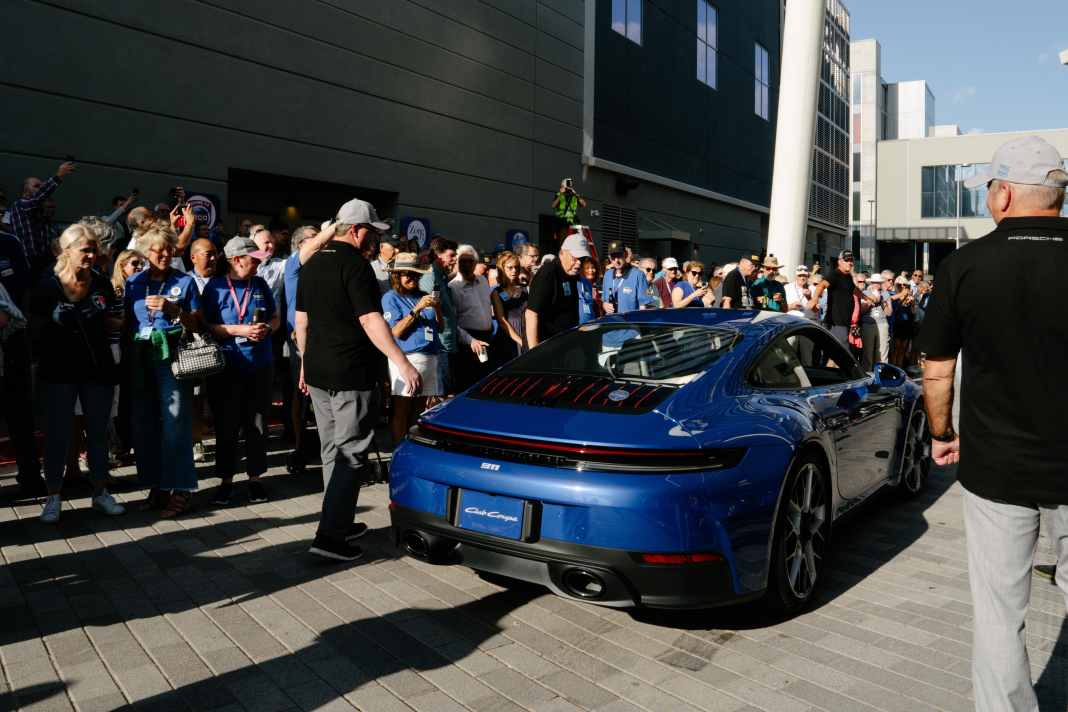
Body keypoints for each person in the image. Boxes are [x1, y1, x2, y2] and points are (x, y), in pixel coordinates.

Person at [915, 135, 1068, 712]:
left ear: (1003, 194)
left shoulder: (964, 265)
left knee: (1001, 615)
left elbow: (936, 369)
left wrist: (941, 434)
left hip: (996, 469)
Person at [294, 199, 420, 562]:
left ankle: (339, 520)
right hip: (351, 373)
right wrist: (402, 363)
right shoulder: (357, 266)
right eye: (370, 231)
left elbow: (301, 321)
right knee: (349, 453)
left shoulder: (311, 263)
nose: (372, 239)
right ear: (356, 230)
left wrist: (305, 363)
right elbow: (370, 320)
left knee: (333, 450)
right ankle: (331, 537)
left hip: (318, 371)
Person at [30, 224, 125, 522]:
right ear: (66, 250)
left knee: (97, 433)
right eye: (85, 250)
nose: (91, 255)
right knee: (58, 433)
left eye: (94, 250)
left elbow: (115, 322)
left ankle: (100, 493)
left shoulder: (101, 282)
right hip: (57, 369)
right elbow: (31, 328)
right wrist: (53, 320)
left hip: (96, 369)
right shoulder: (46, 283)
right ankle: (53, 497)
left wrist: (107, 318)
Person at [125, 225, 203, 518]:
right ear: (146, 251)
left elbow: (198, 324)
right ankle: (157, 485)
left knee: (175, 424)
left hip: (172, 358)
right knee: (145, 425)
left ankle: (182, 488)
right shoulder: (134, 282)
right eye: (159, 249)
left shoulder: (185, 282)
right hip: (141, 358)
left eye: (170, 248)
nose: (166, 253)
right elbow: (128, 325)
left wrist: (174, 311)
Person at [201, 237, 279, 505]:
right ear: (236, 260)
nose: (258, 263)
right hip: (227, 366)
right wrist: (239, 330)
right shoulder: (215, 287)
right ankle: (226, 481)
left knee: (257, 423)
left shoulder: (260, 284)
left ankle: (256, 479)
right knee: (227, 426)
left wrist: (267, 328)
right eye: (253, 259)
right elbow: (206, 327)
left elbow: (276, 317)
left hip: (260, 364)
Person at [282, 224, 333, 475]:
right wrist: (335, 228)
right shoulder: (293, 265)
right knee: (301, 395)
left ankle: (328, 448)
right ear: (300, 244)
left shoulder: (322, 266)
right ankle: (300, 446)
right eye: (313, 239)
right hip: (300, 339)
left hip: (325, 337)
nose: (320, 243)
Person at [381, 252, 442, 444]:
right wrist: (416, 309)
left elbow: (440, 327)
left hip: (430, 357)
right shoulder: (390, 297)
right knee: (402, 409)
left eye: (416, 275)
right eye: (408, 274)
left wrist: (437, 308)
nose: (413, 279)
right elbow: (396, 331)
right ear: (397, 276)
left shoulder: (423, 296)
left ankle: (413, 446)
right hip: (406, 359)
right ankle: (400, 448)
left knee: (419, 410)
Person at [12, 161, 76, 278]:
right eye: (36, 186)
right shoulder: (20, 204)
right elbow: (38, 198)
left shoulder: (41, 211)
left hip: (44, 261)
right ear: (25, 192)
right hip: (27, 260)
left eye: (41, 186)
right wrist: (59, 175)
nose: (40, 188)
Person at [525, 233, 588, 348]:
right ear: (562, 253)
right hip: (546, 346)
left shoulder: (572, 274)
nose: (579, 263)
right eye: (575, 258)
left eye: (582, 259)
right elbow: (531, 314)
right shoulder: (547, 274)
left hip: (565, 344)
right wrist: (534, 353)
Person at [449, 244, 495, 391]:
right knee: (468, 386)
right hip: (468, 342)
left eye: (470, 261)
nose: (467, 264)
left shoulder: (482, 281)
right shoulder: (453, 287)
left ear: (476, 263)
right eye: (463, 261)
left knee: (486, 384)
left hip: (487, 337)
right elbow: (451, 321)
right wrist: (470, 340)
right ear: (457, 263)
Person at [419, 238, 458, 398]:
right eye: (451, 255)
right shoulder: (430, 277)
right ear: (438, 255)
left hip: (447, 343)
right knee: (440, 396)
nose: (454, 259)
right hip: (439, 344)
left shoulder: (439, 275)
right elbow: (429, 309)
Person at [808, 250, 859, 348]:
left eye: (851, 260)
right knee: (841, 352)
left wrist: (868, 298)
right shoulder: (835, 274)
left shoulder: (847, 276)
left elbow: (855, 290)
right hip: (837, 322)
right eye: (847, 260)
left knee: (833, 353)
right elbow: (821, 285)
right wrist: (814, 300)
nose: (850, 262)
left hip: (845, 322)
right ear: (839, 261)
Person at [490, 251, 527, 359]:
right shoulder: (497, 292)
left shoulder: (525, 289)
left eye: (516, 267)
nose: (514, 270)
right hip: (508, 338)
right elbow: (502, 321)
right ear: (502, 269)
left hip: (526, 332)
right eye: (510, 268)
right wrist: (520, 341)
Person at [602, 248, 655, 314]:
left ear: (625, 255)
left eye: (619, 256)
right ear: (610, 258)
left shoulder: (638, 274)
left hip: (629, 323)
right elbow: (604, 300)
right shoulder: (607, 275)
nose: (616, 260)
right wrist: (604, 305)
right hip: (611, 322)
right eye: (613, 257)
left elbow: (644, 306)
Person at [860, 273, 891, 370]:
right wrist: (870, 301)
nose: (876, 284)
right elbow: (861, 311)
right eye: (874, 282)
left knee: (882, 352)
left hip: (882, 324)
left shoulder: (885, 294)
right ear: (871, 283)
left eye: (878, 283)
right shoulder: (864, 293)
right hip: (868, 324)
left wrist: (883, 302)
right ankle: (868, 376)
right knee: (868, 353)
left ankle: (881, 375)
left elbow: (889, 313)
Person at [577, 256, 602, 324]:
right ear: (582, 270)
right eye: (587, 268)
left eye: (593, 268)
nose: (591, 270)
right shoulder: (577, 283)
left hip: (592, 322)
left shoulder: (592, 286)